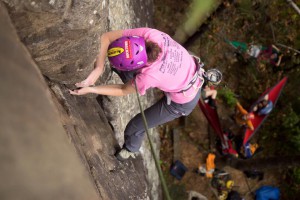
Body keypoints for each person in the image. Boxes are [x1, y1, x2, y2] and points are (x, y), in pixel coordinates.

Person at [69, 28, 222, 161]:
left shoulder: (149, 76)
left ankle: (130, 150)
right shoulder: (151, 35)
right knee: (129, 76)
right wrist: (98, 69)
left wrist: (92, 89)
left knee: (135, 127)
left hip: (182, 101)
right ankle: (131, 75)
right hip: (187, 75)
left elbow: (122, 90)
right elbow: (107, 37)